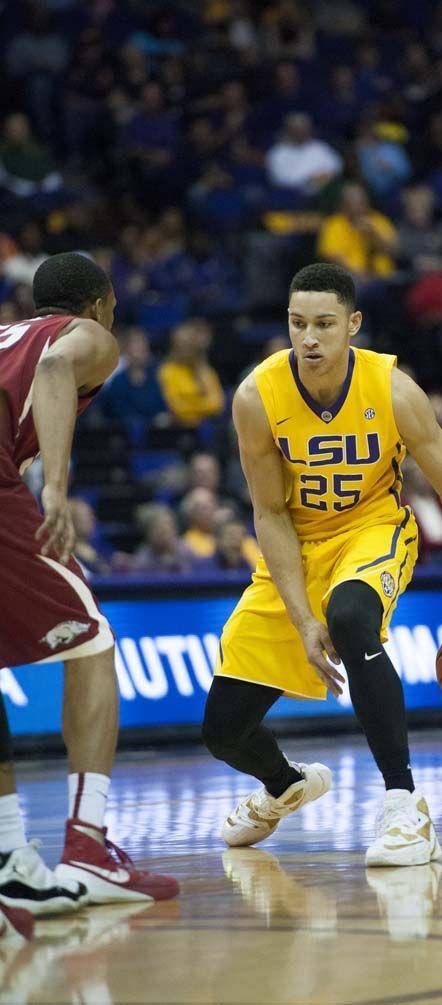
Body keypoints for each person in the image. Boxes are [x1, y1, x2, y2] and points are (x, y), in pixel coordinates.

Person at [202, 263, 442, 867]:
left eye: (324, 324)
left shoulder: (393, 390)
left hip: (372, 529)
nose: (309, 338)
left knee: (352, 614)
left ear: (352, 325)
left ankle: (405, 805)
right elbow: (270, 515)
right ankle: (284, 785)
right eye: (298, 323)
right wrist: (302, 620)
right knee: (223, 730)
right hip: (297, 545)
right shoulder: (256, 396)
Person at [0, 253, 178, 927]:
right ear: (101, 303)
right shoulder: (85, 337)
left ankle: (11, 857)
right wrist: (53, 485)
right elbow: (53, 370)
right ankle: (87, 844)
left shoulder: (5, 332)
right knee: (92, 641)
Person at [158, 319, 225, 428]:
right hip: (179, 430)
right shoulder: (167, 372)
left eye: (189, 345)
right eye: (181, 345)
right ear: (174, 347)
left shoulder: (206, 371)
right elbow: (178, 409)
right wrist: (202, 406)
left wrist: (191, 404)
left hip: (207, 429)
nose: (186, 349)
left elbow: (217, 405)